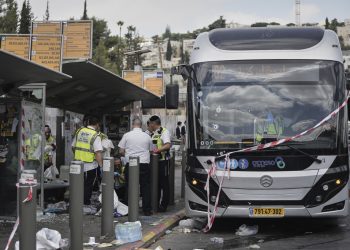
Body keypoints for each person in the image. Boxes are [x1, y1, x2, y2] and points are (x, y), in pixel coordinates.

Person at [118, 118, 153, 216]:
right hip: (144, 164)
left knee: (130, 186)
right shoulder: (147, 136)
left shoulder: (127, 135)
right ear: (141, 125)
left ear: (132, 125)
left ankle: (128, 209)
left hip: (131, 164)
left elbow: (121, 151)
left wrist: (128, 154)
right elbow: (151, 150)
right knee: (145, 187)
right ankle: (147, 210)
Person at [72, 116, 103, 205]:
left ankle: (76, 202)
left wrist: (78, 155)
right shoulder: (95, 135)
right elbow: (98, 153)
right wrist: (101, 166)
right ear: (97, 124)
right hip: (90, 165)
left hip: (77, 164)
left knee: (78, 183)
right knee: (88, 185)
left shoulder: (79, 132)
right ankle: (85, 202)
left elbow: (73, 147)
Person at [149, 115, 172, 212]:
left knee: (164, 184)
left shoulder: (164, 131)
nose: (149, 125)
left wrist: (157, 150)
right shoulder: (154, 133)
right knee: (157, 183)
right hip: (155, 162)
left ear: (154, 124)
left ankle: (164, 205)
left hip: (163, 161)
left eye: (150, 123)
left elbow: (167, 145)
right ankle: (156, 204)